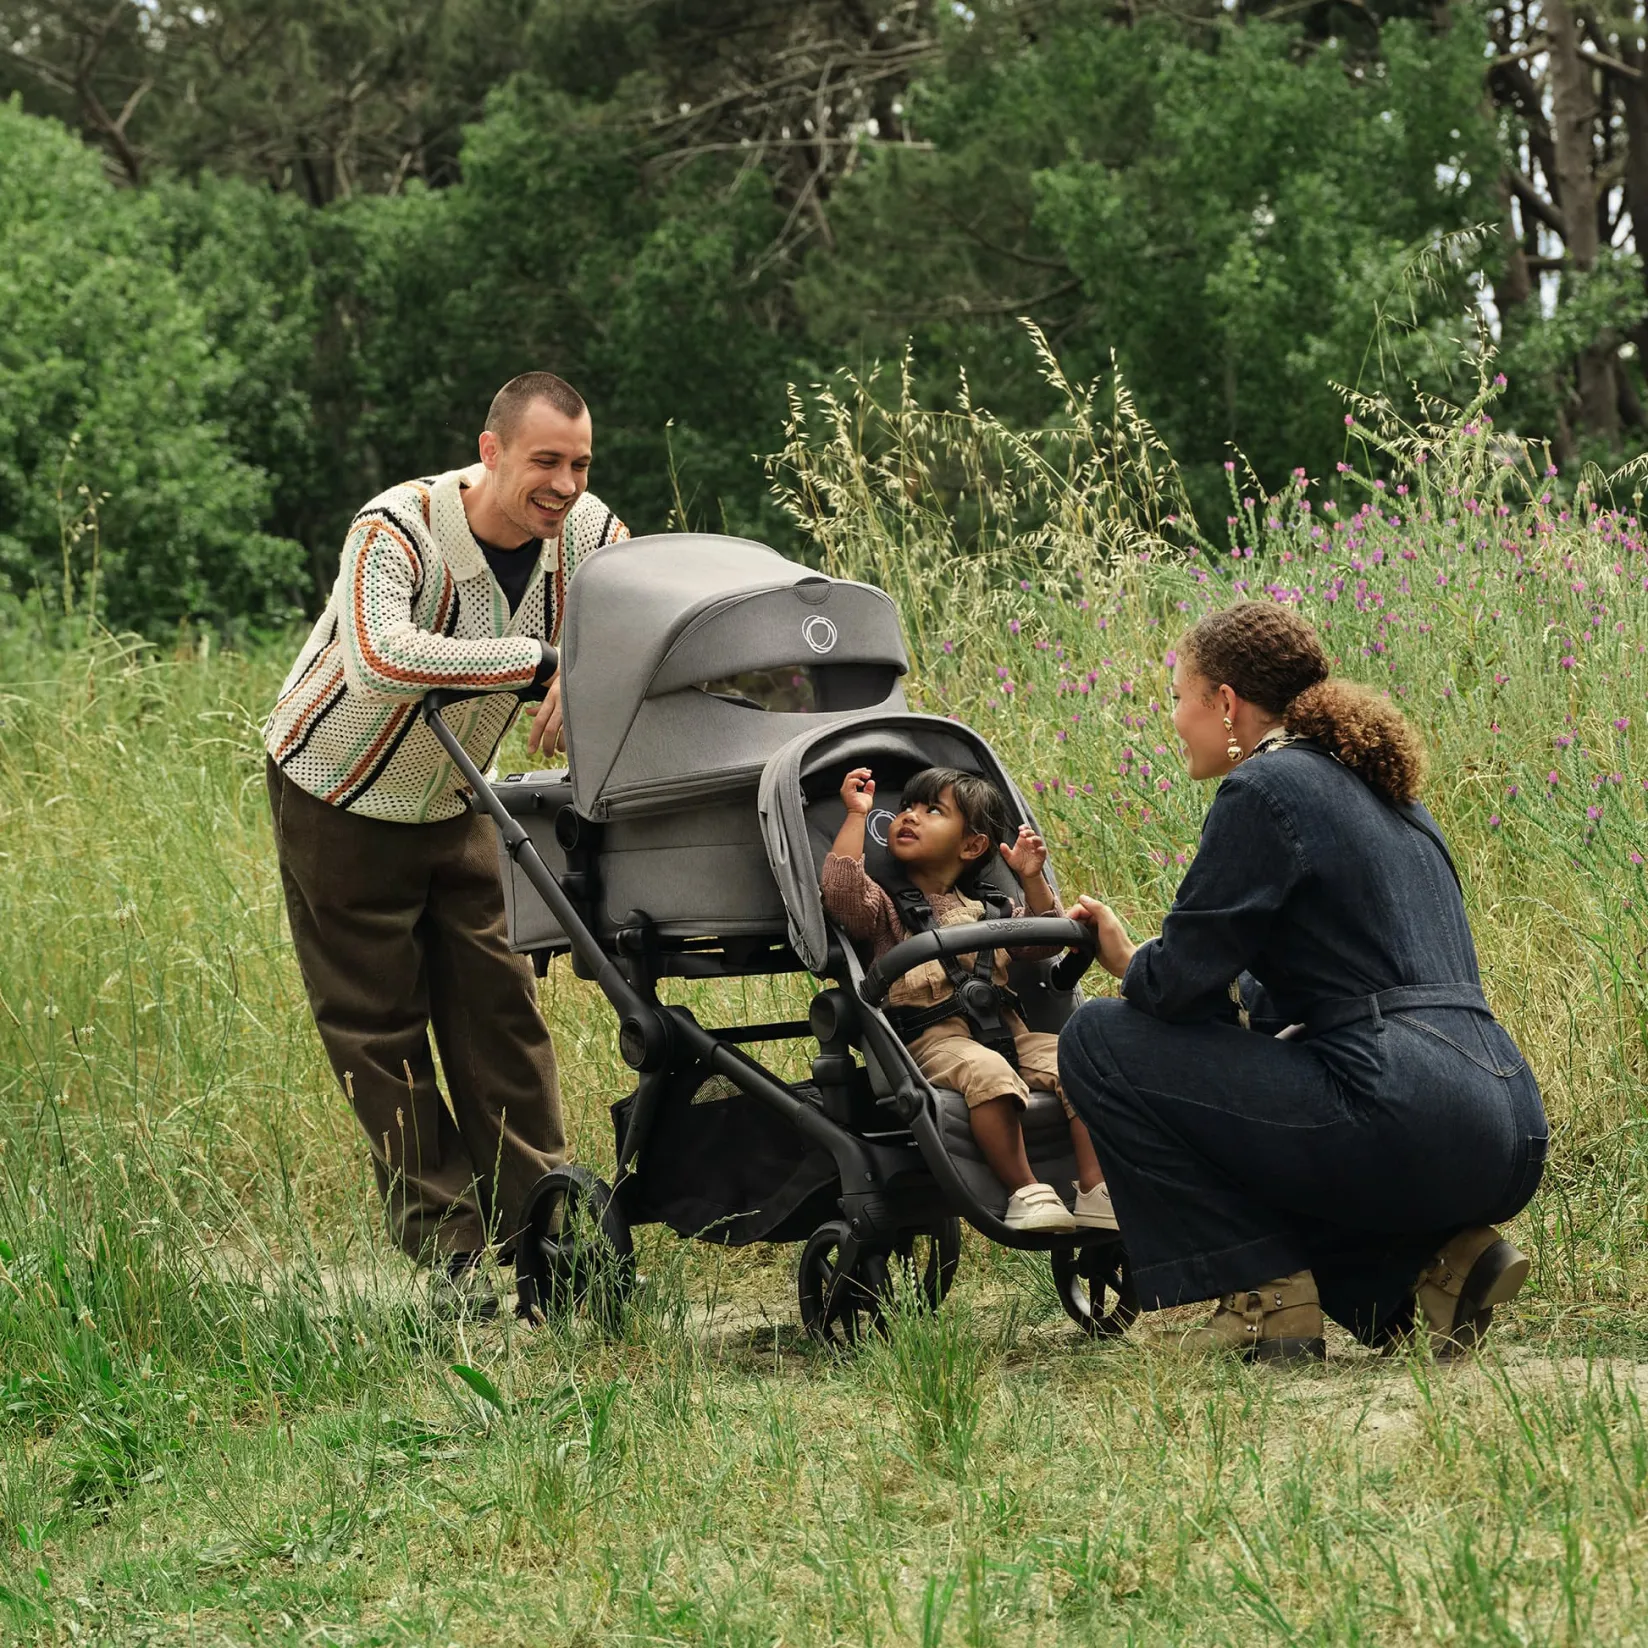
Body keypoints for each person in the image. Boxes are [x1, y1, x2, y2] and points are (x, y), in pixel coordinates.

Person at [1058, 600, 1547, 1362]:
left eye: (1177, 699)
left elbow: (1176, 987)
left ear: (1225, 702)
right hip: (1508, 1116)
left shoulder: (1265, 791)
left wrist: (1133, 966)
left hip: (1405, 1110)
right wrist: (1180, 976)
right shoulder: (1389, 793)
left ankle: (1266, 1298)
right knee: (1258, 1102)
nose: (1173, 721)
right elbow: (1277, 996)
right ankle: (1431, 1267)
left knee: (1095, 1040)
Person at [263, 370, 627, 1317]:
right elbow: (382, 658)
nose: (566, 484)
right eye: (546, 460)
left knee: (502, 1007)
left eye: (581, 463)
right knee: (378, 1031)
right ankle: (451, 1250)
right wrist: (545, 659)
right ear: (492, 450)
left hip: (459, 797)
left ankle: (545, 1228)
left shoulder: (584, 535)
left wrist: (594, 663)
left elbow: (641, 599)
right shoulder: (395, 527)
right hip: (337, 792)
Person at [822, 765, 1115, 1233]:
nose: (908, 817)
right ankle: (1025, 1189)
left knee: (1080, 1059)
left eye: (931, 810)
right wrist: (857, 816)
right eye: (905, 809)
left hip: (1007, 1032)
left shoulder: (991, 907)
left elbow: (1042, 942)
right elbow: (843, 898)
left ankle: (1096, 1188)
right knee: (989, 1073)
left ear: (972, 846)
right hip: (930, 1040)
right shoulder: (887, 907)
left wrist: (1032, 879)